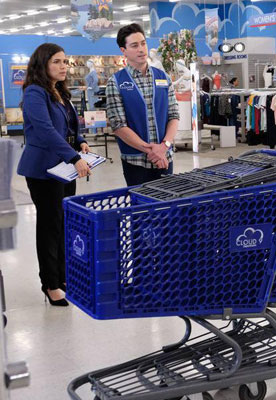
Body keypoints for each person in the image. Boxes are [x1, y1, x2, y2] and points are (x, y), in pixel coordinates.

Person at [17, 43, 92, 307]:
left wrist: (80, 142)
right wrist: (74, 157)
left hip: (64, 169)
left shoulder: (59, 91)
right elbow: (46, 131)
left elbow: (69, 125)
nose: (63, 67)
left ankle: (62, 277)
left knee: (63, 223)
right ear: (43, 64)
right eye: (57, 62)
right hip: (44, 170)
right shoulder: (35, 92)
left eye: (65, 62)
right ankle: (50, 284)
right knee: (49, 226)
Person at [106, 23, 179, 186]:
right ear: (123, 50)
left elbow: (174, 115)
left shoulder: (163, 77)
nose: (141, 49)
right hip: (136, 162)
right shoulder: (116, 82)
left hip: (165, 159)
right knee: (140, 209)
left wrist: (164, 146)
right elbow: (118, 126)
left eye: (143, 43)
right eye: (134, 45)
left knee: (166, 208)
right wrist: (151, 150)